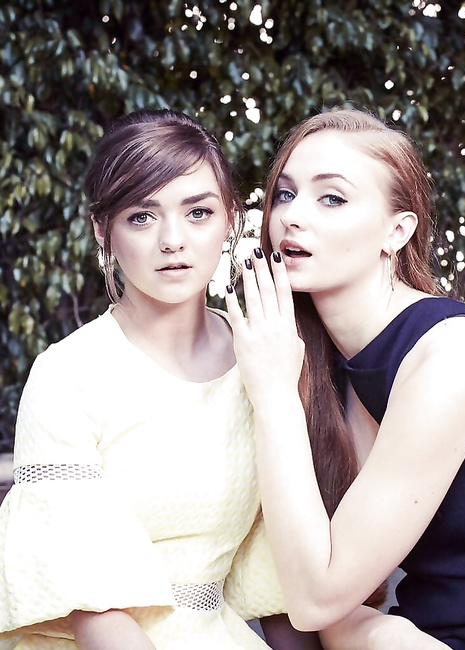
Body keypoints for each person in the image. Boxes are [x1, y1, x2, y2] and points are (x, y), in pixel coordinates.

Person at [0, 109, 323, 650]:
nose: (173, 240)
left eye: (198, 212)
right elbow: (94, 609)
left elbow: (278, 582)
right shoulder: (68, 374)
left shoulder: (263, 358)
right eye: (142, 217)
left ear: (231, 220)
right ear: (103, 230)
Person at [225, 107, 465, 650]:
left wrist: (273, 395)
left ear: (397, 230)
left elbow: (317, 598)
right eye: (285, 194)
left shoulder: (453, 357)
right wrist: (372, 630)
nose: (292, 216)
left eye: (332, 198)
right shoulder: (316, 361)